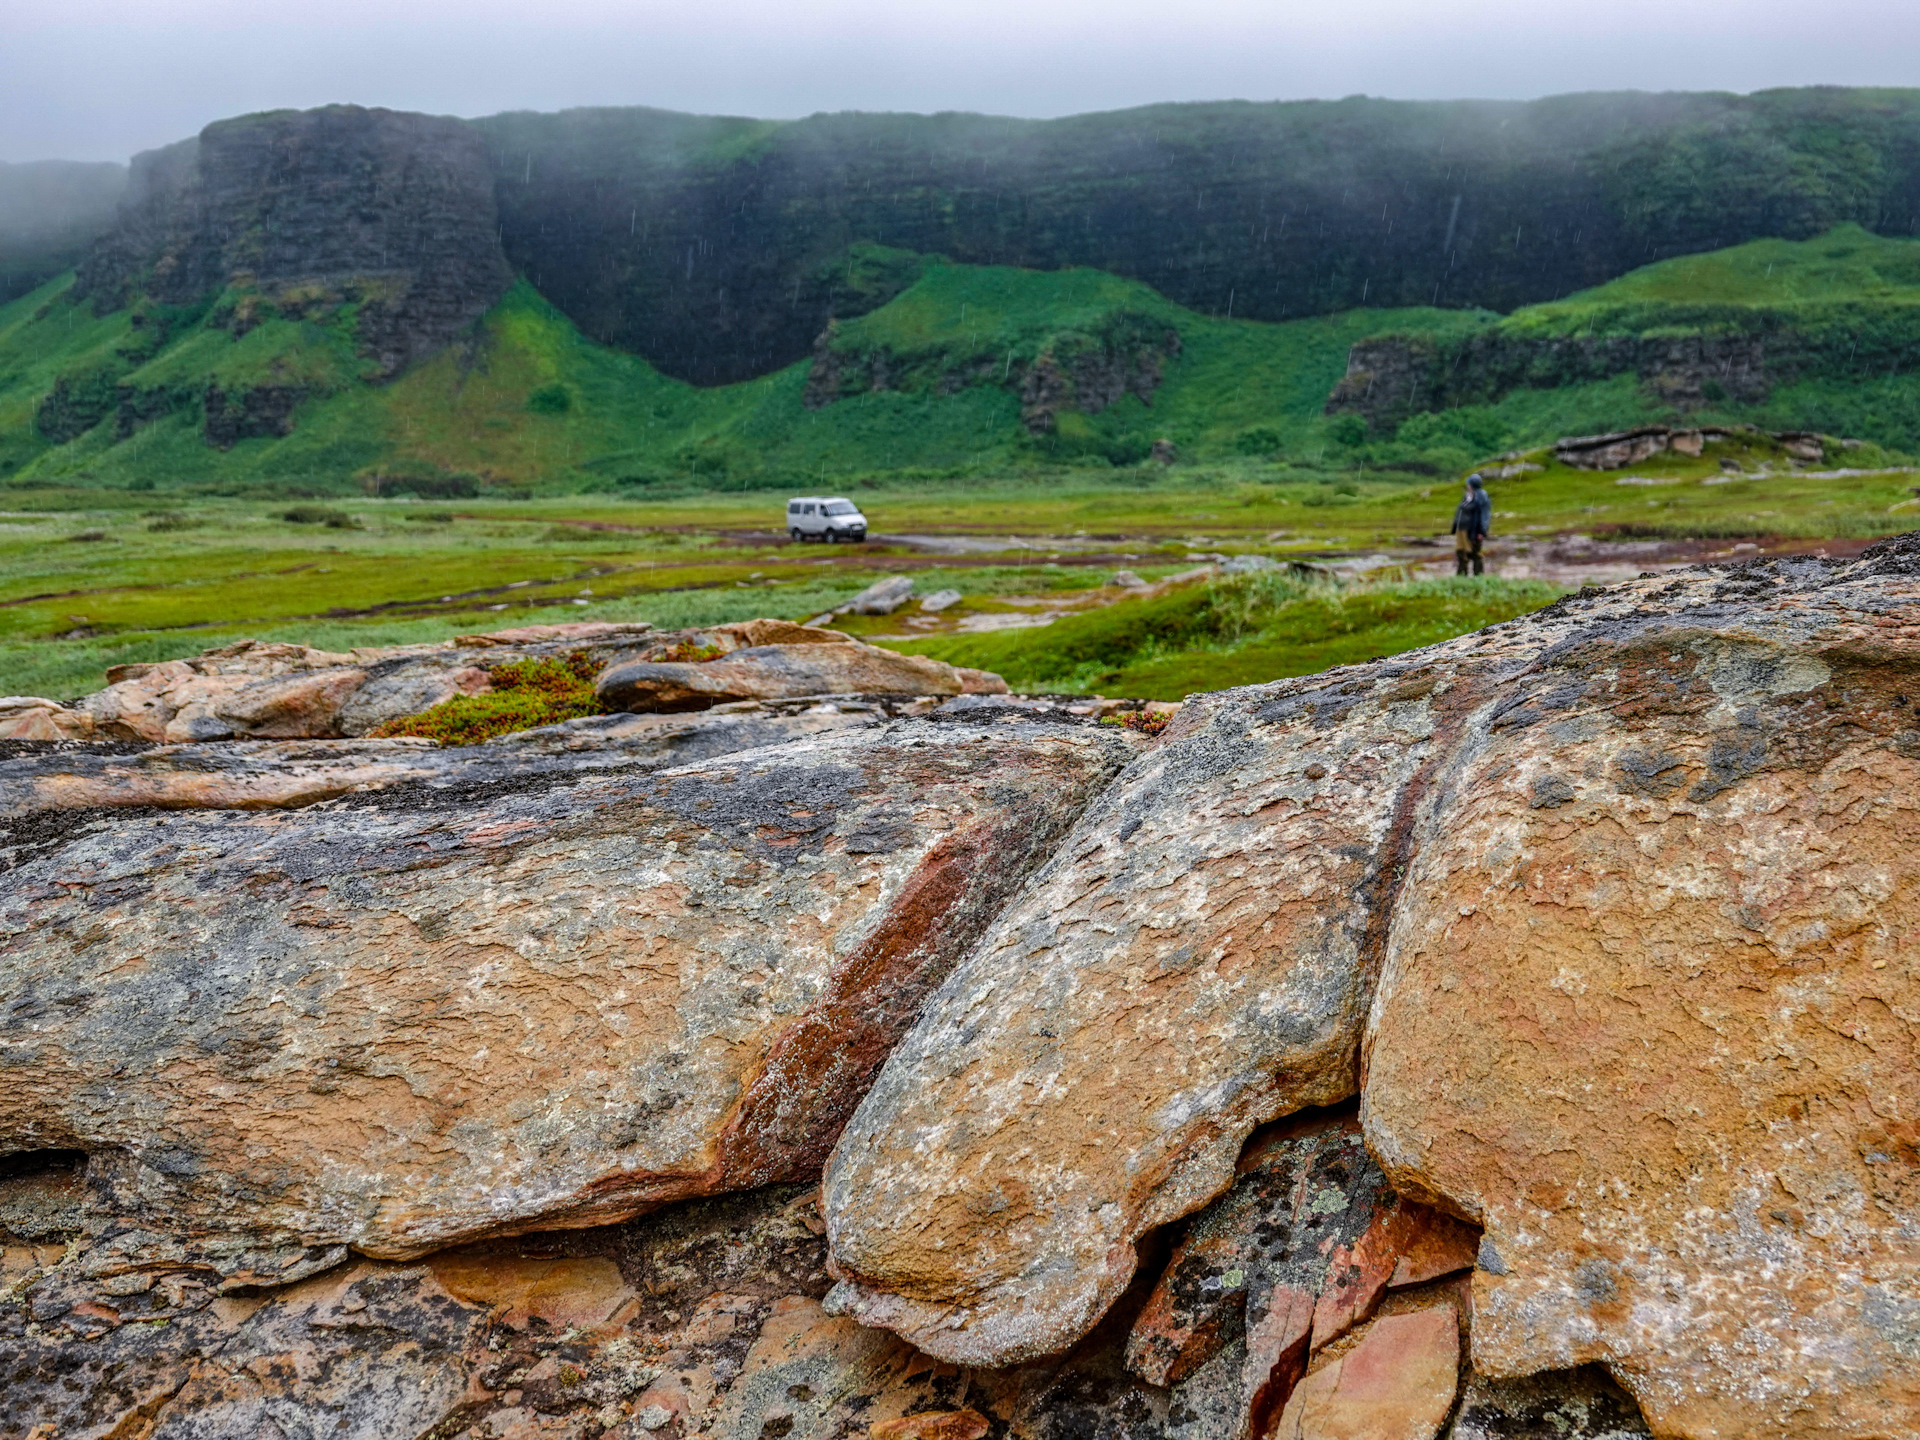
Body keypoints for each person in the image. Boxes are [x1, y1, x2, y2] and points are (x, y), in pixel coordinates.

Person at [1451, 475, 1492, 576]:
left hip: (1472, 530)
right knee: (1461, 552)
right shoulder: (1467, 496)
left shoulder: (1482, 497)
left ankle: (1478, 576)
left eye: (1469, 484)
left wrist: (1482, 531)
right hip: (1462, 529)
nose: (1467, 485)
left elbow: (1484, 515)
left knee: (1474, 553)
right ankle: (1461, 576)